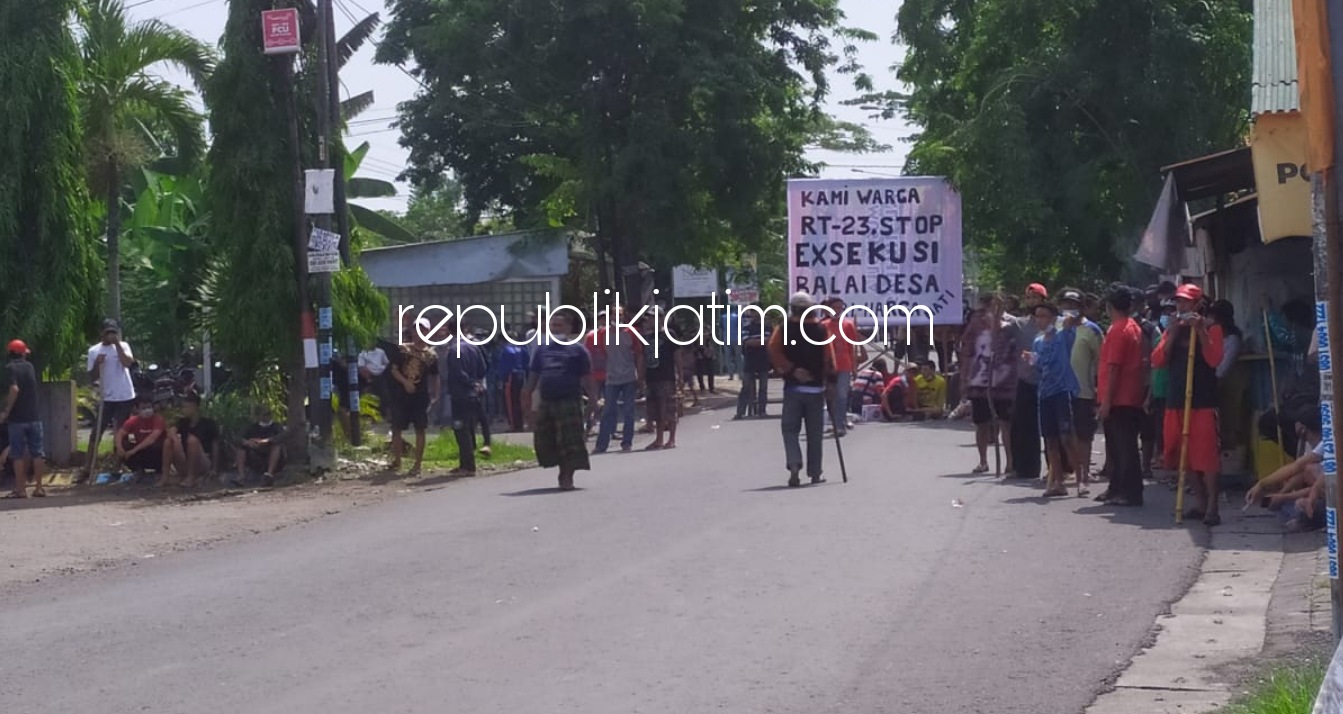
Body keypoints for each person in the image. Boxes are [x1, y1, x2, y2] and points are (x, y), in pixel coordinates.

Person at [1152, 283, 1225, 526]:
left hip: (1203, 401)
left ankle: (1213, 506)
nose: (1181, 306)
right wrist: (1172, 333)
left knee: (1206, 455)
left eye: (1185, 302)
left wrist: (1201, 331)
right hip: (1176, 399)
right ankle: (1200, 501)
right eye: (1179, 302)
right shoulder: (1172, 329)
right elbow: (1158, 360)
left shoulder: (1212, 328)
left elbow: (1214, 360)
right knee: (1184, 454)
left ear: (1197, 305)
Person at [768, 291, 834, 487]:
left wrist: (791, 369)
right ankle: (815, 473)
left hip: (793, 388)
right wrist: (830, 382)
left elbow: (773, 349)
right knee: (815, 433)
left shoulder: (783, 328)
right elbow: (829, 358)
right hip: (816, 389)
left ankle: (794, 465)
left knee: (790, 430)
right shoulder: (821, 330)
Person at [524, 311, 596, 491]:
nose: (556, 329)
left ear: (569, 328)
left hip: (569, 401)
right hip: (547, 401)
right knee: (545, 440)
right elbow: (532, 378)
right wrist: (526, 402)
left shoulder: (578, 350)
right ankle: (560, 468)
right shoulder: (542, 349)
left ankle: (567, 475)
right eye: (553, 325)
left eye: (560, 325)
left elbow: (588, 378)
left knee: (569, 442)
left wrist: (593, 399)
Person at [1096, 286, 1147, 507]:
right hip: (1127, 395)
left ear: (1109, 307)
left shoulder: (1119, 330)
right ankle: (1116, 487)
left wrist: (1107, 401)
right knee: (1117, 447)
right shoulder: (1132, 327)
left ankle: (1130, 492)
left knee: (1124, 447)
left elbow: (1115, 367)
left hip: (1120, 398)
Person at [958, 293, 1019, 474]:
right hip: (979, 379)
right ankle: (983, 461)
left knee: (1005, 422)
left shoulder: (1012, 323)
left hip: (1004, 380)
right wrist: (965, 375)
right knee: (981, 422)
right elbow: (967, 346)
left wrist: (999, 318)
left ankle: (1010, 462)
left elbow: (1015, 347)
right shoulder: (977, 322)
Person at [1026, 303, 1080, 497]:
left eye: (1044, 316)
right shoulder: (1038, 342)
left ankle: (1081, 479)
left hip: (1062, 391)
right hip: (1045, 393)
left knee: (1066, 438)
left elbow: (1074, 319)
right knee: (1050, 441)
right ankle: (1058, 482)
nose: (1040, 320)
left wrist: (1063, 320)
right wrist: (1033, 361)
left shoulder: (1063, 336)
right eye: (1037, 316)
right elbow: (1040, 366)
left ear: (1052, 318)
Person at [1246, 407, 1326, 532]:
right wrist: (1271, 489)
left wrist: (1284, 497)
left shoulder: (1330, 445)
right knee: (1285, 505)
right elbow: (1298, 468)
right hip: (1318, 495)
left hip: (1329, 502)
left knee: (1297, 506)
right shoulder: (1321, 446)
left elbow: (1322, 489)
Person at [1059, 289, 1101, 491]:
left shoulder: (1092, 330)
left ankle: (1083, 475)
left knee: (1084, 435)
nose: (1069, 309)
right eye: (1066, 305)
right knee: (1064, 435)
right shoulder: (1056, 327)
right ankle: (1071, 471)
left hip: (1083, 391)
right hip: (1059, 391)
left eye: (1073, 305)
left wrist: (1099, 388)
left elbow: (1101, 361)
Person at [439, 318, 490, 476]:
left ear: (449, 331)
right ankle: (466, 463)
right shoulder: (473, 347)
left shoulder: (454, 350)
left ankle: (467, 466)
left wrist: (470, 383)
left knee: (461, 429)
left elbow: (458, 373)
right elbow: (484, 367)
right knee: (469, 427)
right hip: (474, 394)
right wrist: (477, 383)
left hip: (460, 394)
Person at [389, 319, 439, 476]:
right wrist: (405, 383)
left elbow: (435, 376)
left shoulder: (431, 356)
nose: (419, 334)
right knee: (397, 428)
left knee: (420, 429)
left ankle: (417, 464)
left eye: (423, 330)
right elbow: (394, 370)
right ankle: (397, 461)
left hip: (420, 397)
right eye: (416, 330)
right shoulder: (403, 350)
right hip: (401, 395)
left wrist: (436, 395)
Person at [85, 319, 137, 468]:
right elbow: (92, 376)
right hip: (107, 397)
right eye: (108, 332)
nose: (111, 335)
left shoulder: (124, 346)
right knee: (96, 432)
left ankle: (118, 464)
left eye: (113, 332)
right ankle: (88, 466)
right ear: (102, 333)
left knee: (120, 432)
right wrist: (97, 363)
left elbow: (128, 363)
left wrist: (117, 345)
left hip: (124, 396)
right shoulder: (94, 351)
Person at [594, 308, 646, 454]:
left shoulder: (630, 332)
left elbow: (639, 354)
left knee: (629, 410)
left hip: (629, 376)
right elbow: (603, 353)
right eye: (614, 315)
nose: (617, 318)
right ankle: (601, 444)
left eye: (620, 315)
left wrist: (640, 375)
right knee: (608, 410)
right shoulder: (603, 333)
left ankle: (627, 442)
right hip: (611, 377)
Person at [1010, 283, 1048, 481]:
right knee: (1022, 426)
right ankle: (1024, 468)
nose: (1031, 301)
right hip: (1026, 380)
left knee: (1050, 429)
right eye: (1029, 298)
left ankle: (1057, 471)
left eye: (1035, 297)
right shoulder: (1019, 324)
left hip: (1048, 381)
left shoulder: (1053, 325)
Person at [2, 340, 45, 499]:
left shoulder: (10, 368)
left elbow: (14, 389)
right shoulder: (30, 367)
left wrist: (6, 411)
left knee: (18, 454)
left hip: (17, 419)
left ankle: (21, 490)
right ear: (21, 353)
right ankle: (39, 488)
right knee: (37, 453)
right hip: (34, 416)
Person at [821, 297, 866, 436]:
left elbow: (852, 347)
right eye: (835, 307)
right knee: (829, 396)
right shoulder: (823, 326)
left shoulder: (848, 325)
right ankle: (833, 423)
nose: (838, 310)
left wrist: (854, 368)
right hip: (827, 367)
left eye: (841, 307)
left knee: (842, 396)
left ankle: (840, 425)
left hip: (844, 365)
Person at [1210, 299, 1249, 456]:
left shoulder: (1232, 339)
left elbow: (1221, 370)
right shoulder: (1210, 336)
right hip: (1212, 386)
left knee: (1228, 425)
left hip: (1226, 388)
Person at [164, 392, 220, 488]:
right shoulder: (183, 422)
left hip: (202, 460)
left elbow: (215, 446)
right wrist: (176, 441)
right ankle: (165, 477)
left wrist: (214, 468)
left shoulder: (209, 424)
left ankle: (191, 478)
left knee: (192, 440)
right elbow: (171, 432)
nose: (183, 410)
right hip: (186, 460)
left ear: (194, 406)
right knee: (168, 442)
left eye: (185, 407)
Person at [645, 321, 681, 449]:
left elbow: (677, 355)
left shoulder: (669, 334)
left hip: (667, 377)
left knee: (669, 409)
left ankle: (671, 439)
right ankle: (659, 439)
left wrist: (680, 375)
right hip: (651, 378)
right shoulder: (646, 337)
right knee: (656, 411)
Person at [115, 396, 166, 479]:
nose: (147, 411)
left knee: (157, 446)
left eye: (149, 407)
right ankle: (138, 469)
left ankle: (159, 470)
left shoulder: (158, 419)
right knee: (124, 444)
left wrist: (133, 451)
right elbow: (120, 434)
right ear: (137, 409)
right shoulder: (133, 421)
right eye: (143, 408)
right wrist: (119, 448)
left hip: (156, 452)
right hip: (141, 451)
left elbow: (152, 438)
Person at [235, 407, 286, 487]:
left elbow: (281, 436)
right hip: (256, 455)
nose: (268, 416)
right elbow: (237, 438)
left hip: (272, 455)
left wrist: (265, 441)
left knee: (276, 446)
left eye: (269, 413)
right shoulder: (251, 427)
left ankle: (269, 475)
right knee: (241, 447)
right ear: (258, 416)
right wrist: (247, 442)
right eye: (265, 414)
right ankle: (241, 476)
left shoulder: (276, 426)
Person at [735, 314, 771, 419]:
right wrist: (761, 342)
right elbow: (747, 341)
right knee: (746, 387)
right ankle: (740, 412)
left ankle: (762, 411)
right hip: (750, 361)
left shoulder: (768, 328)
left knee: (763, 388)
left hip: (764, 361)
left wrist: (756, 342)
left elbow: (770, 341)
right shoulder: (746, 328)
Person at [494, 333, 531, 433]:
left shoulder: (506, 350)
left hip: (510, 376)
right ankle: (521, 423)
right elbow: (527, 363)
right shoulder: (522, 348)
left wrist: (501, 379)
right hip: (521, 375)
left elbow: (503, 366)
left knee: (510, 402)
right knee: (519, 401)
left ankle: (513, 425)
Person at [358, 340, 391, 413]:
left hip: (381, 376)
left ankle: (383, 412)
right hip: (368, 376)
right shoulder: (363, 353)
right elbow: (361, 367)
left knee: (384, 394)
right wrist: (367, 377)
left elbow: (387, 363)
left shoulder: (381, 352)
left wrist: (382, 369)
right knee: (368, 395)